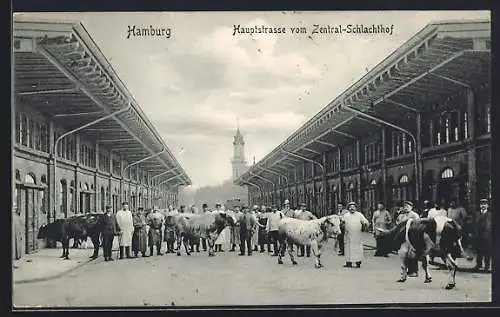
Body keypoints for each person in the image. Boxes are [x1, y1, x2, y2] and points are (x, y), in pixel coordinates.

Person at [342, 202, 370, 268]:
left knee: (357, 248)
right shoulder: (346, 215)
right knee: (348, 249)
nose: (352, 208)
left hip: (357, 236)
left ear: (356, 208)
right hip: (348, 235)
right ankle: (348, 263)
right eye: (350, 207)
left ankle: (358, 262)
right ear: (348, 208)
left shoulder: (359, 215)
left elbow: (365, 221)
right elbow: (342, 222)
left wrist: (365, 224)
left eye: (353, 207)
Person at [396, 201, 420, 276]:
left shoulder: (414, 215)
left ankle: (414, 271)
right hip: (403, 237)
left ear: (411, 207)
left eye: (407, 206)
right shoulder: (401, 215)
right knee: (404, 254)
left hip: (412, 237)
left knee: (412, 254)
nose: (406, 208)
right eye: (405, 206)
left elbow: (418, 225)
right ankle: (405, 270)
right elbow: (397, 224)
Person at [474, 198, 492, 272]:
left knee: (487, 251)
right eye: (482, 204)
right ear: (480, 205)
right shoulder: (477, 214)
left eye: (485, 204)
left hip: (487, 235)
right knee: (479, 250)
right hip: (478, 235)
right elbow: (474, 224)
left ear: (487, 205)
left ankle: (487, 266)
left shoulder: (490, 214)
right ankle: (478, 264)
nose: (483, 206)